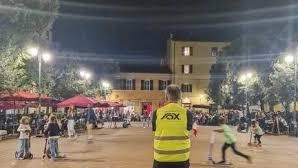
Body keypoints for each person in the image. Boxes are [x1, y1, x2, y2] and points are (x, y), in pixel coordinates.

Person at [152, 84, 194, 168]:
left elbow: (154, 129)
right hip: (181, 158)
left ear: (166, 96)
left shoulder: (157, 113)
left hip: (161, 158)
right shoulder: (187, 113)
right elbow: (189, 128)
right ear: (180, 97)